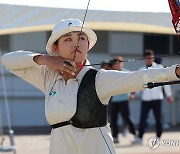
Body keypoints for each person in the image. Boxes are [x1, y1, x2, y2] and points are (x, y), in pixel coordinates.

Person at [1, 19, 180, 154]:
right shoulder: (47, 76)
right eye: (67, 39)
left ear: (88, 46)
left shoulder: (99, 78)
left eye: (81, 38)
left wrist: (176, 71)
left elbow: (139, 77)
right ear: (55, 48)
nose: (76, 43)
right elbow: (7, 60)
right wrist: (44, 59)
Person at [133, 49, 173, 144]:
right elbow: (138, 84)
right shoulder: (141, 70)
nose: (149, 60)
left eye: (150, 58)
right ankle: (139, 137)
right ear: (144, 58)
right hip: (146, 98)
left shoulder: (159, 67)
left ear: (153, 57)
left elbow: (165, 82)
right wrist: (133, 93)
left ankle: (158, 137)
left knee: (158, 118)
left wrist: (169, 95)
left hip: (157, 98)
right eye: (147, 58)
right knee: (143, 118)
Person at [108, 56, 137, 144]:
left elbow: (134, 84)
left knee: (127, 117)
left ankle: (135, 134)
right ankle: (115, 136)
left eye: (120, 62)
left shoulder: (126, 72)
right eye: (116, 63)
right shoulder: (110, 73)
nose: (118, 64)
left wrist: (132, 94)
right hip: (114, 100)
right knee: (113, 119)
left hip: (124, 99)